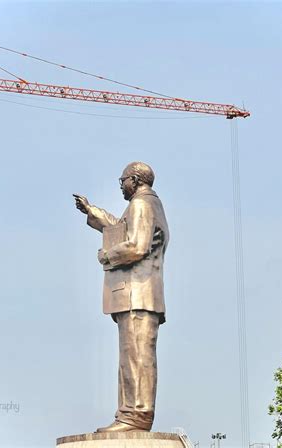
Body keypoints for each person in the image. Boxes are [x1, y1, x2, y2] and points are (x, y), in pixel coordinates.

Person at [74, 161, 169, 433]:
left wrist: (108, 256)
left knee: (136, 356)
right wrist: (93, 212)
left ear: (135, 180)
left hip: (138, 293)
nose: (121, 186)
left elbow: (137, 245)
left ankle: (135, 416)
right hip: (138, 294)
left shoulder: (142, 204)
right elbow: (122, 229)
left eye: (123, 181)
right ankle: (130, 414)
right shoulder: (146, 205)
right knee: (132, 356)